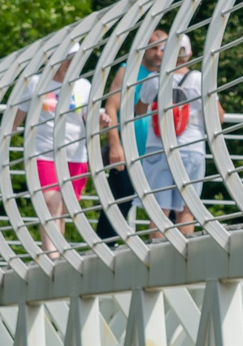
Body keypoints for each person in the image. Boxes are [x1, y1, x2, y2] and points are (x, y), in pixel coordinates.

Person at [18, 41, 96, 250]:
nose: (70, 63)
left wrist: (102, 118)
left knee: (61, 209)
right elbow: (17, 115)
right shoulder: (36, 83)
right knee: (51, 203)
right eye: (67, 58)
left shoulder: (84, 86)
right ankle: (51, 256)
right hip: (43, 151)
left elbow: (89, 117)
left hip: (75, 154)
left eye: (74, 59)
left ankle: (58, 252)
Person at [135, 35, 211, 230]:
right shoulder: (199, 79)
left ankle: (157, 257)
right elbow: (217, 116)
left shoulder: (154, 80)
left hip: (158, 149)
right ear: (189, 54)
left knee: (159, 210)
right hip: (191, 147)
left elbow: (139, 110)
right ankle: (186, 258)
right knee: (186, 209)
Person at [97, 25, 165, 234]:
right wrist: (115, 145)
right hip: (129, 152)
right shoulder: (129, 71)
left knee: (164, 208)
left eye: (163, 49)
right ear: (144, 48)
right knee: (117, 206)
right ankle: (103, 252)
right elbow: (111, 106)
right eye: (154, 48)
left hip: (159, 155)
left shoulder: (171, 75)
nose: (159, 53)